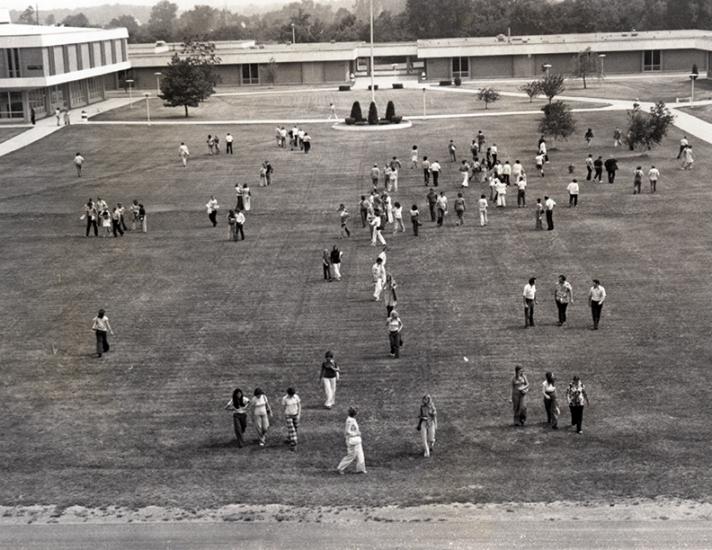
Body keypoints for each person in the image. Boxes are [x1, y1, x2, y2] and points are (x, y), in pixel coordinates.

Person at [337, 407, 366, 474]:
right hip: (352, 440)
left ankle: (361, 469)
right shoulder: (350, 420)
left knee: (360, 454)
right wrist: (356, 433)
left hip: (357, 440)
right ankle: (340, 468)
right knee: (351, 456)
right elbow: (347, 431)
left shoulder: (352, 419)